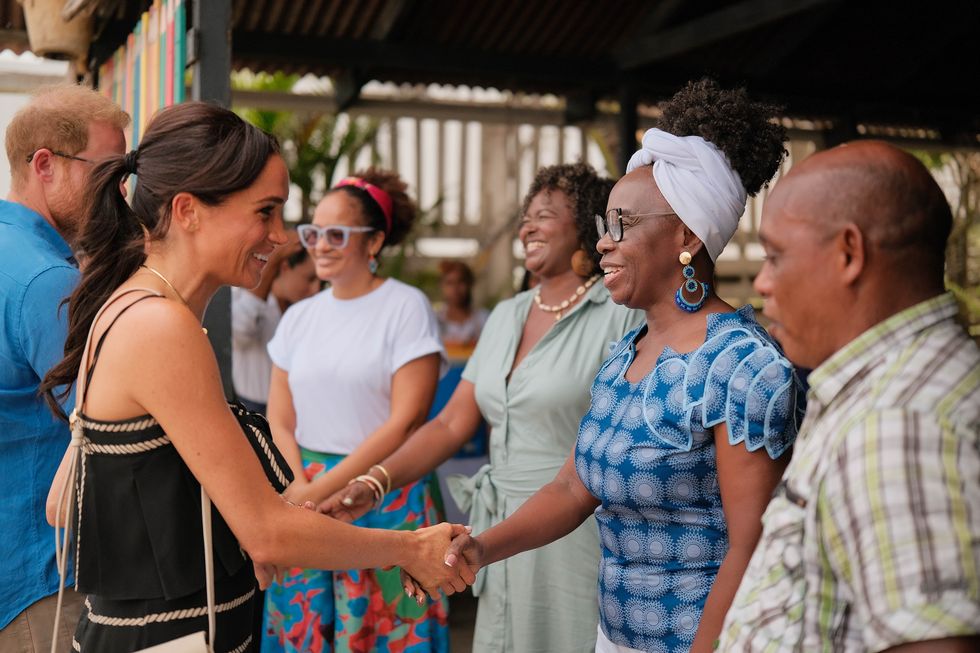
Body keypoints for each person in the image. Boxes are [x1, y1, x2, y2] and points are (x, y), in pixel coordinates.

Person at [39, 102, 468, 653]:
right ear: (189, 210)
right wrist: (411, 549)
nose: (283, 236)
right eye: (265, 212)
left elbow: (65, 499)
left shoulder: (136, 308)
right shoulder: (159, 325)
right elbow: (268, 533)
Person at [440, 79, 806, 653]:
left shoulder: (741, 366)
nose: (604, 244)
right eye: (603, 227)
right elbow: (571, 487)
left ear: (686, 234)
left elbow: (751, 545)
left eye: (623, 225)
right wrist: (482, 548)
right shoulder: (625, 355)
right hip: (612, 637)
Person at [322, 162, 645, 653]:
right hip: (496, 527)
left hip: (576, 525)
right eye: (525, 217)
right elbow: (452, 422)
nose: (528, 227)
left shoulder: (618, 314)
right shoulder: (506, 315)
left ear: (584, 225)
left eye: (545, 215)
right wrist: (375, 482)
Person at [718, 142, 980, 652]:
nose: (762, 282)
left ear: (848, 253)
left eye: (775, 256)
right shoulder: (898, 385)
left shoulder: (897, 424)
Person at [261, 169, 451, 652]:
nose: (320, 245)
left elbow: (405, 420)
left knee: (385, 632)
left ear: (374, 241)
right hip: (302, 488)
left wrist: (315, 492)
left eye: (336, 234)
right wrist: (298, 487)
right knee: (307, 629)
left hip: (383, 492)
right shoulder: (300, 316)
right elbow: (280, 416)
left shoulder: (405, 307)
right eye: (314, 233)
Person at [0, 84, 128, 653]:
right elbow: (113, 423)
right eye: (108, 173)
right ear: (45, 165)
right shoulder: (47, 281)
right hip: (42, 573)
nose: (120, 193)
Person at [231, 233, 319, 414]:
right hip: (255, 411)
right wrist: (272, 262)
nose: (316, 289)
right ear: (285, 267)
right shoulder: (243, 296)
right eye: (310, 279)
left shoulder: (305, 311)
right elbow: (241, 331)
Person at [435, 260, 489, 361]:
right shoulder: (434, 321)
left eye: (461, 282)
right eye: (449, 283)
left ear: (470, 284)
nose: (455, 289)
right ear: (442, 286)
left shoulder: (484, 319)